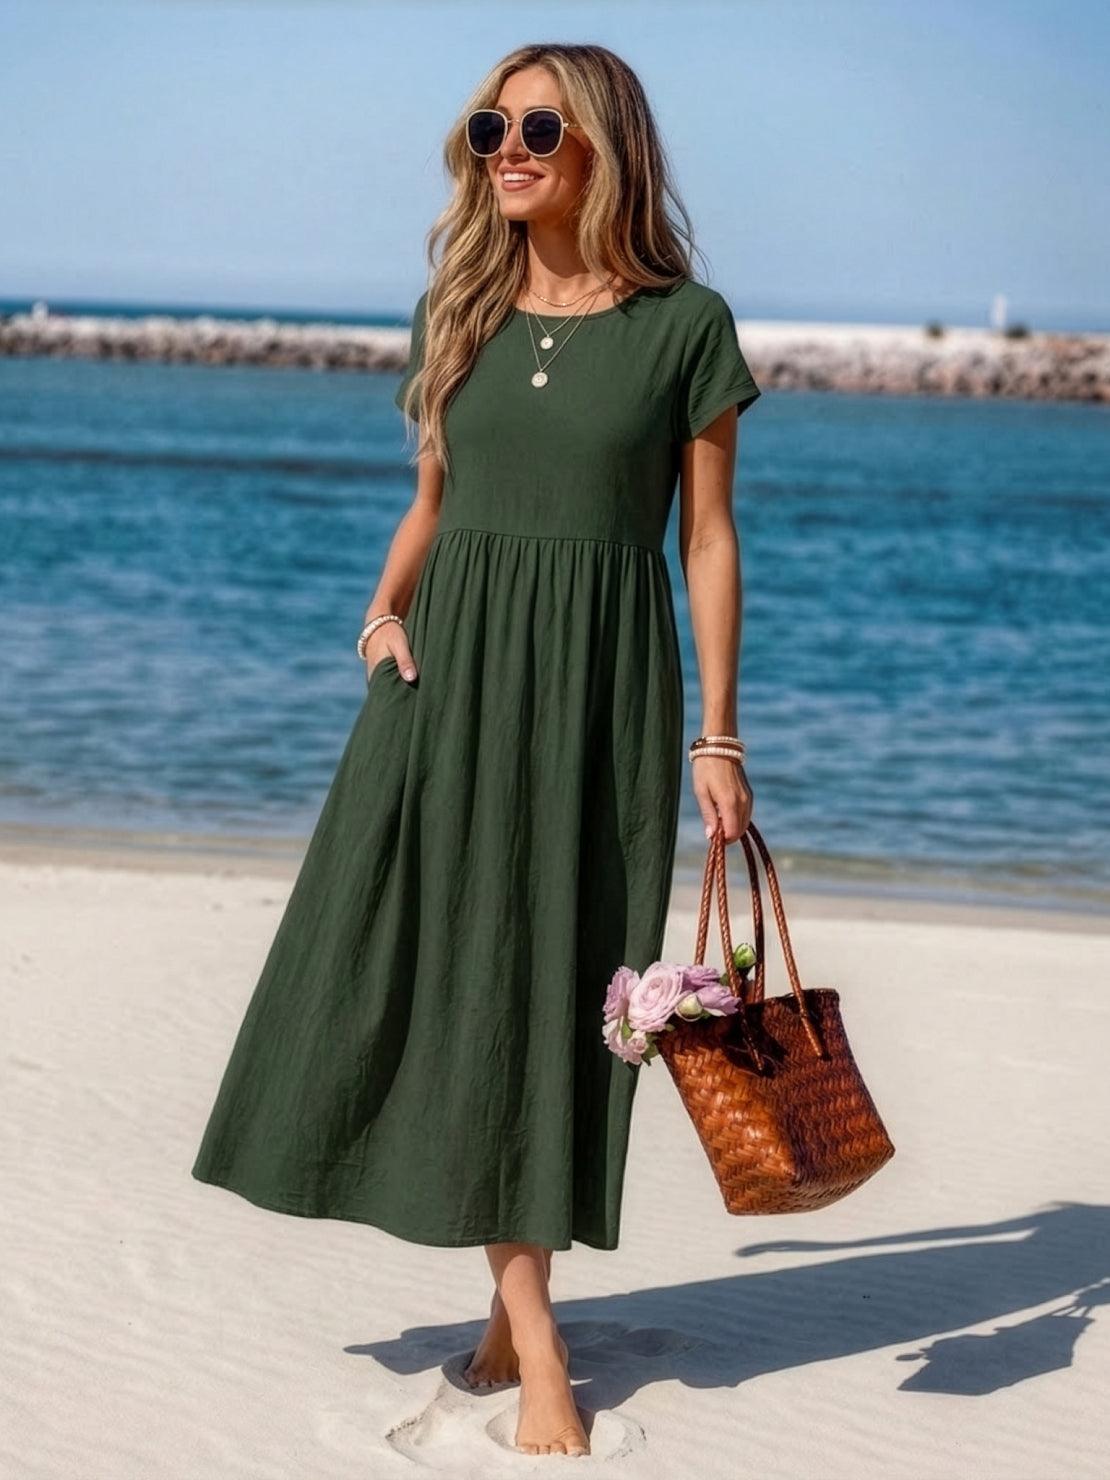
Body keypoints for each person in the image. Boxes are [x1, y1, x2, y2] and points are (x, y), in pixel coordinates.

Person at [191, 41, 761, 1459]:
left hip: (594, 695)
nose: (506, 146)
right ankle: (544, 1343)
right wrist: (379, 613)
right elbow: (435, 505)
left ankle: (512, 1318)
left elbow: (704, 539)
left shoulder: (686, 325)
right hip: (445, 689)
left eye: (536, 126)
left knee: (562, 983)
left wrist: (716, 731)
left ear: (601, 144)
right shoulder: (459, 309)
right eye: (487, 124)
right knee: (427, 969)